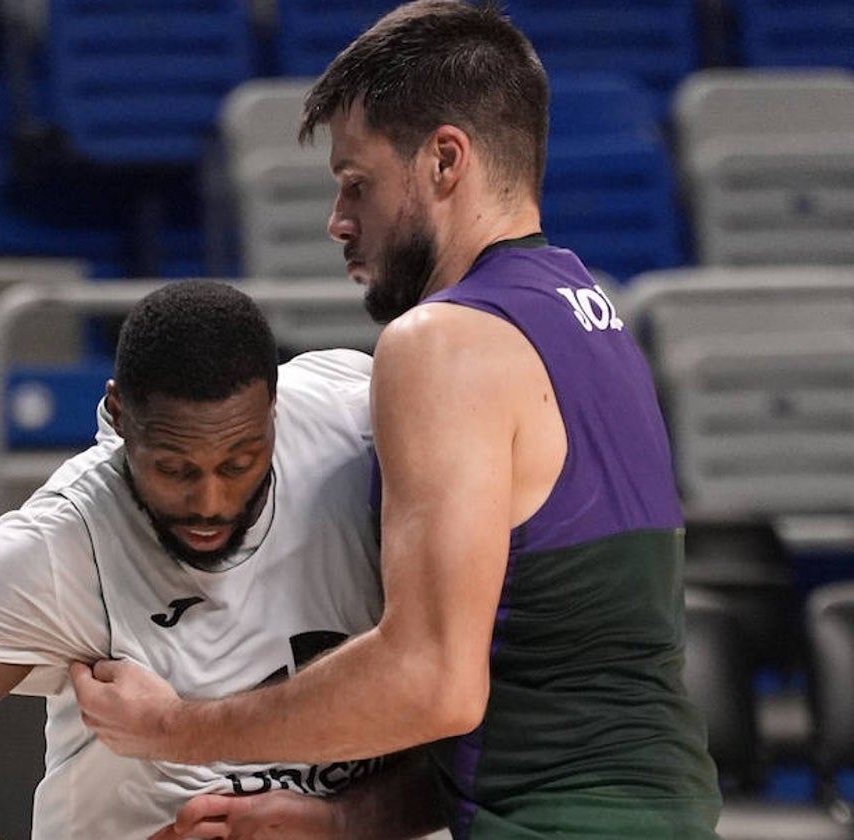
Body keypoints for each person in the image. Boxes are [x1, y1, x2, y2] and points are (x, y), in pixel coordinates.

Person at [70, 2, 724, 838]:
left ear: (445, 159)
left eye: (357, 182)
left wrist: (174, 728)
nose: (338, 221)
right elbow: (546, 693)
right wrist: (341, 822)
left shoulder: (443, 340)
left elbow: (431, 681)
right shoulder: (586, 314)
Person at [0, 280, 443, 839]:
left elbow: (481, 730)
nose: (210, 501)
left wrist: (339, 823)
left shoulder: (356, 420)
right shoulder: (61, 547)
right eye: (174, 468)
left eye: (239, 465)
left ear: (274, 412)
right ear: (119, 414)